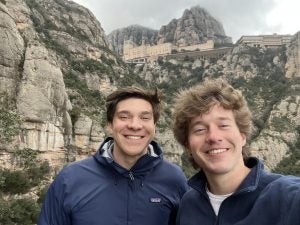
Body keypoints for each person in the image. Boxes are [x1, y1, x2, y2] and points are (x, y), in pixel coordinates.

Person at [38, 86, 188, 225]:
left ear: (154, 126)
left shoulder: (174, 179)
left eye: (145, 118)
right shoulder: (70, 179)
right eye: (124, 117)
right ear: (110, 125)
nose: (135, 125)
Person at [172, 79, 300, 225]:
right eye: (200, 129)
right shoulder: (188, 205)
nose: (213, 137)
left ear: (242, 136)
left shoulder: (287, 197)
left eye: (224, 125)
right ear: (188, 145)